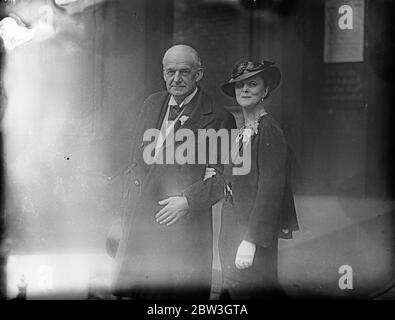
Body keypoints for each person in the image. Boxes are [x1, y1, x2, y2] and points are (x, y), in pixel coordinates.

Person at [110, 44, 236, 299]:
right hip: (144, 222)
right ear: (163, 73)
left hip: (184, 225)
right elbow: (135, 165)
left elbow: (226, 178)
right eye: (170, 72)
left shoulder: (219, 117)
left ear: (198, 74)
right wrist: (122, 216)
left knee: (179, 296)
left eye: (184, 72)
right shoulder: (151, 104)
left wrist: (189, 201)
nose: (176, 79)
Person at [204, 60, 299, 299]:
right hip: (232, 230)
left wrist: (251, 241)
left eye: (252, 84)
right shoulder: (244, 129)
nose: (244, 90)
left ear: (266, 91)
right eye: (239, 85)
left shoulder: (269, 130)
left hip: (251, 237)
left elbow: (271, 191)